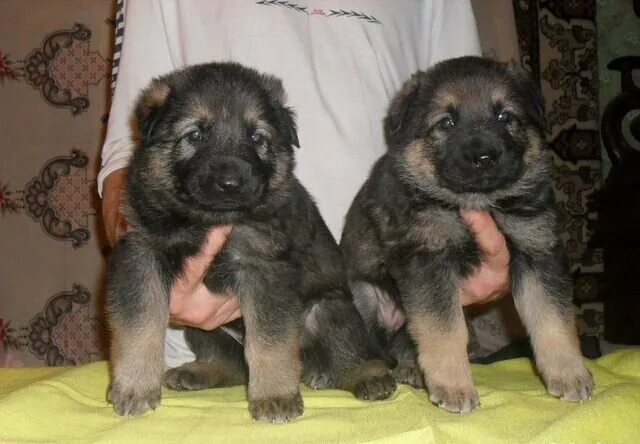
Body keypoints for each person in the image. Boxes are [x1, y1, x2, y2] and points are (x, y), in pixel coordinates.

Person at [100, 0, 510, 367]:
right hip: (205, 339)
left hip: (399, 318)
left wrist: (489, 252)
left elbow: (471, 134)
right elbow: (127, 153)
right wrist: (153, 270)